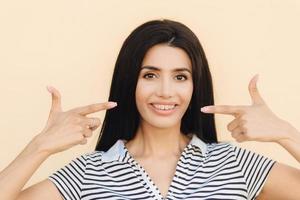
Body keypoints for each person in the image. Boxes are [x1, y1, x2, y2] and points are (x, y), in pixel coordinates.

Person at [0, 19, 299, 200]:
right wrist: (39, 147)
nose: (166, 91)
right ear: (130, 81)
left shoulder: (235, 164)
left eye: (180, 77)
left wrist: (286, 134)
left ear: (196, 86)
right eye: (150, 75)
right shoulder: (88, 172)